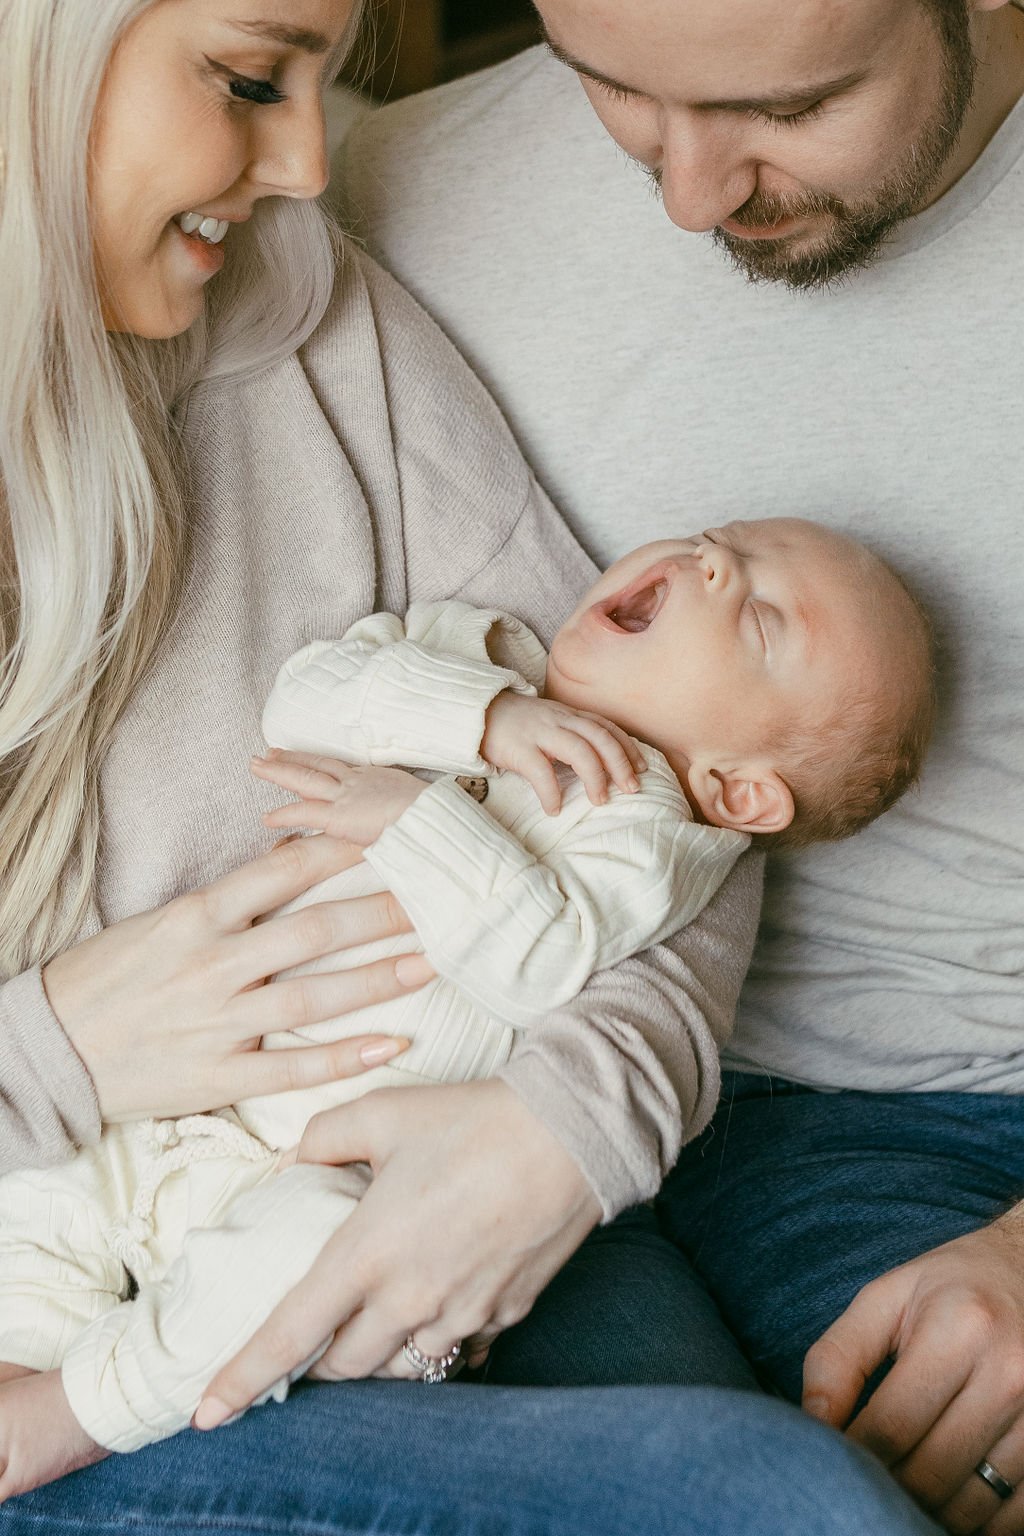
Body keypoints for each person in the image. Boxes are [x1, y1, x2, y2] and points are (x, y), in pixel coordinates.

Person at [0, 0, 942, 1531]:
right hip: (61, 1221)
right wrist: (55, 1056)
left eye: (325, 80)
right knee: (776, 1505)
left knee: (791, 1494)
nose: (314, 162)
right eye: (249, 78)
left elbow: (654, 799)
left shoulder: (303, 311)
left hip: (402, 1177)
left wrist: (564, 1129)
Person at [0, 516, 934, 1484]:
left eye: (762, 619)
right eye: (721, 542)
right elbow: (302, 699)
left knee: (305, 1264)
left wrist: (416, 817)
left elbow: (537, 955)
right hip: (174, 1093)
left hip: (305, 1165)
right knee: (44, 1188)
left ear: (737, 795)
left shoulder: (647, 833)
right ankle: (21, 1350)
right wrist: (481, 718)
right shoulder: (471, 650)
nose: (711, 563)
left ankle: (84, 1407)